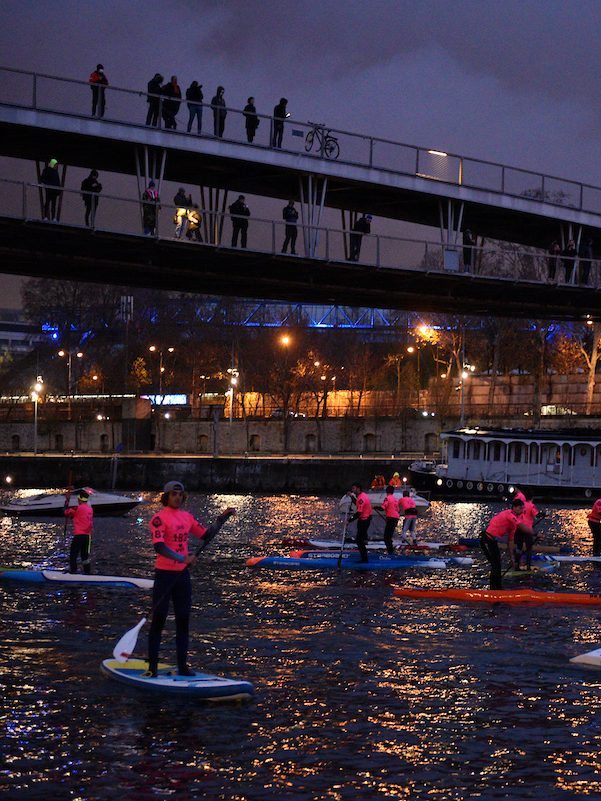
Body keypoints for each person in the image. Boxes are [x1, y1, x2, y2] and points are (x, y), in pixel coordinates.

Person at [146, 480, 235, 678]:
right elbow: (159, 547)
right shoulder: (158, 519)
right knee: (159, 620)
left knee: (183, 620)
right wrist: (182, 558)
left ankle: (182, 666)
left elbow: (205, 535)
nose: (178, 497)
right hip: (165, 575)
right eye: (173, 494)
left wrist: (222, 518)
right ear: (166, 497)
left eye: (180, 494)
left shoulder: (187, 517)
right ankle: (152, 667)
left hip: (182, 577)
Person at [480, 498, 524, 590]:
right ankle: (494, 589)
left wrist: (512, 557)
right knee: (495, 565)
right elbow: (521, 525)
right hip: (486, 539)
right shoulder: (509, 515)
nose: (522, 511)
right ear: (514, 508)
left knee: (497, 564)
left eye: (523, 508)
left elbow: (510, 541)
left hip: (492, 541)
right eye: (520, 508)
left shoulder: (513, 524)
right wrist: (534, 533)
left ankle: (497, 588)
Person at [64, 489, 94, 574]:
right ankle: (87, 572)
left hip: (79, 535)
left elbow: (65, 512)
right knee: (85, 556)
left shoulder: (77, 508)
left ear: (80, 499)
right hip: (87, 536)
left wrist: (66, 501)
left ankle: (73, 572)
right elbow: (78, 517)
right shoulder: (90, 509)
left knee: (73, 554)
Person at [515, 493, 544, 571]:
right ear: (532, 498)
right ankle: (528, 566)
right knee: (529, 548)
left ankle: (517, 565)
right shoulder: (531, 506)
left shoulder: (521, 505)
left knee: (519, 547)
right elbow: (537, 515)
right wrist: (544, 514)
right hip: (527, 530)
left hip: (519, 528)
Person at [348, 482, 372, 563]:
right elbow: (356, 503)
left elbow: (359, 513)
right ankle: (364, 557)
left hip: (364, 520)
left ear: (358, 489)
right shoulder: (361, 496)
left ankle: (364, 560)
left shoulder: (362, 498)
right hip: (363, 519)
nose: (352, 490)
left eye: (353, 488)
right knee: (360, 539)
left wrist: (349, 520)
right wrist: (351, 496)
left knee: (359, 540)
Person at [382, 485, 400, 556]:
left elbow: (383, 507)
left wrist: (374, 507)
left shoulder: (387, 498)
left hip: (391, 518)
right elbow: (398, 510)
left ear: (386, 491)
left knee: (386, 537)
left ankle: (390, 553)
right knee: (389, 536)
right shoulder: (395, 499)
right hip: (395, 518)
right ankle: (391, 551)